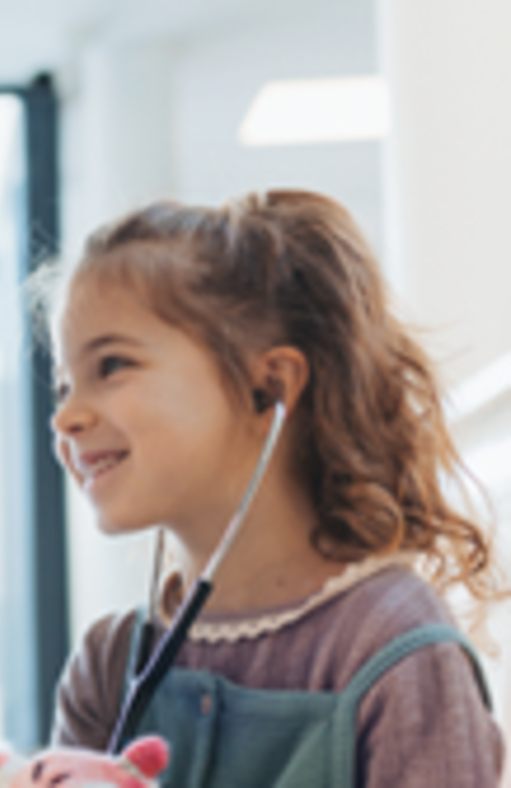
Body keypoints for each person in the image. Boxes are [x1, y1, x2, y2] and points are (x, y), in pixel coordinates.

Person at [44, 190, 503, 786]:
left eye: (111, 366)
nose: (65, 418)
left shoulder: (393, 649)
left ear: (271, 388)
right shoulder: (107, 665)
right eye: (61, 387)